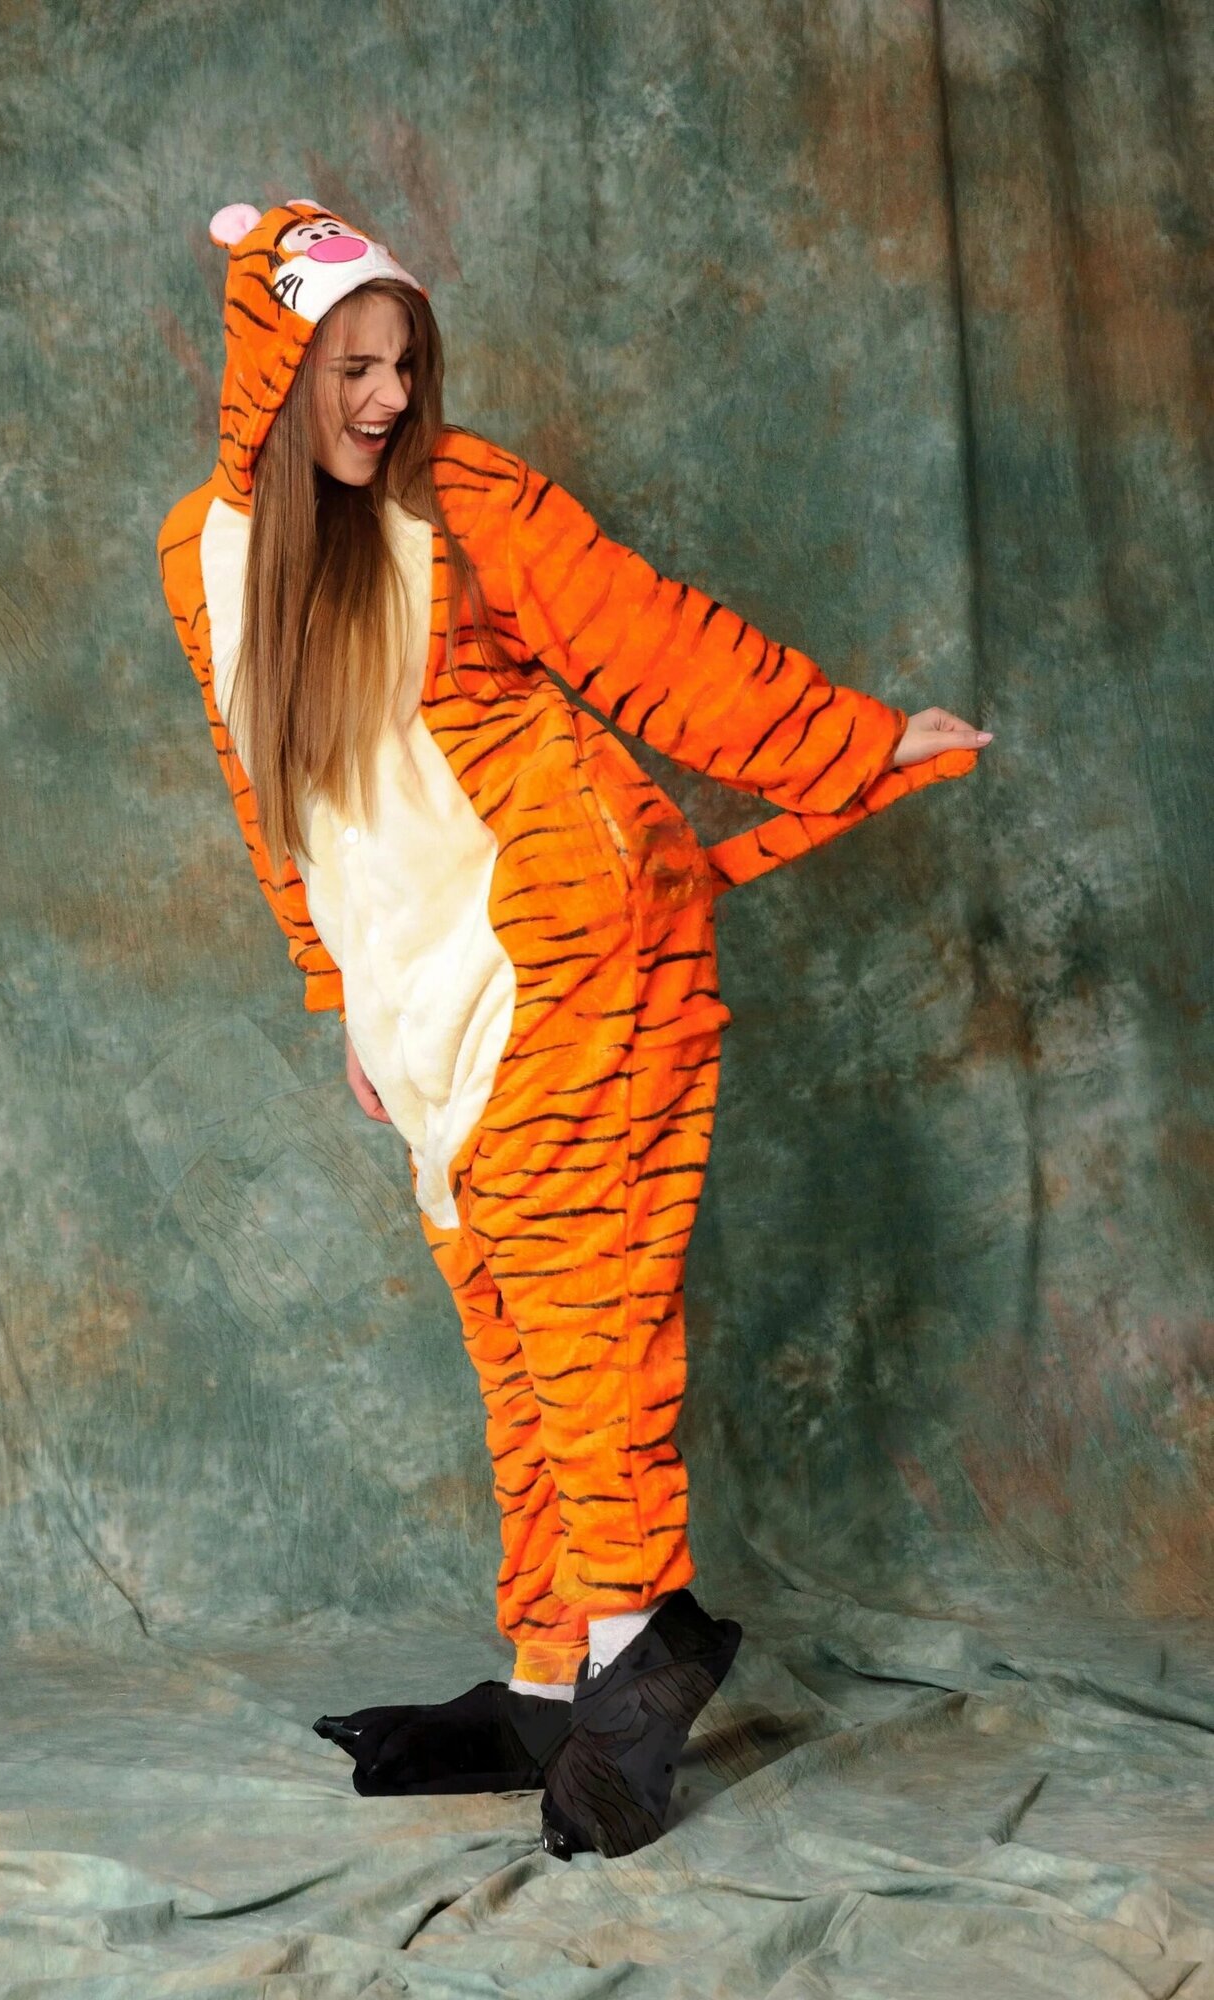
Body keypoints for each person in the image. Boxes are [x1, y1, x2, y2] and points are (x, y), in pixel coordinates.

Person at [156, 197, 989, 1860]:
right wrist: (341, 992)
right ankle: (548, 1677)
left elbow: (650, 639)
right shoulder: (204, 553)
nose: (389, 397)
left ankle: (637, 1650)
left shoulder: (466, 502)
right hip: (419, 975)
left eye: (405, 361)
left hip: (572, 931)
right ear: (273, 370)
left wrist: (852, 741)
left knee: (583, 1311)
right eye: (352, 364)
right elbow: (274, 798)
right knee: (509, 1326)